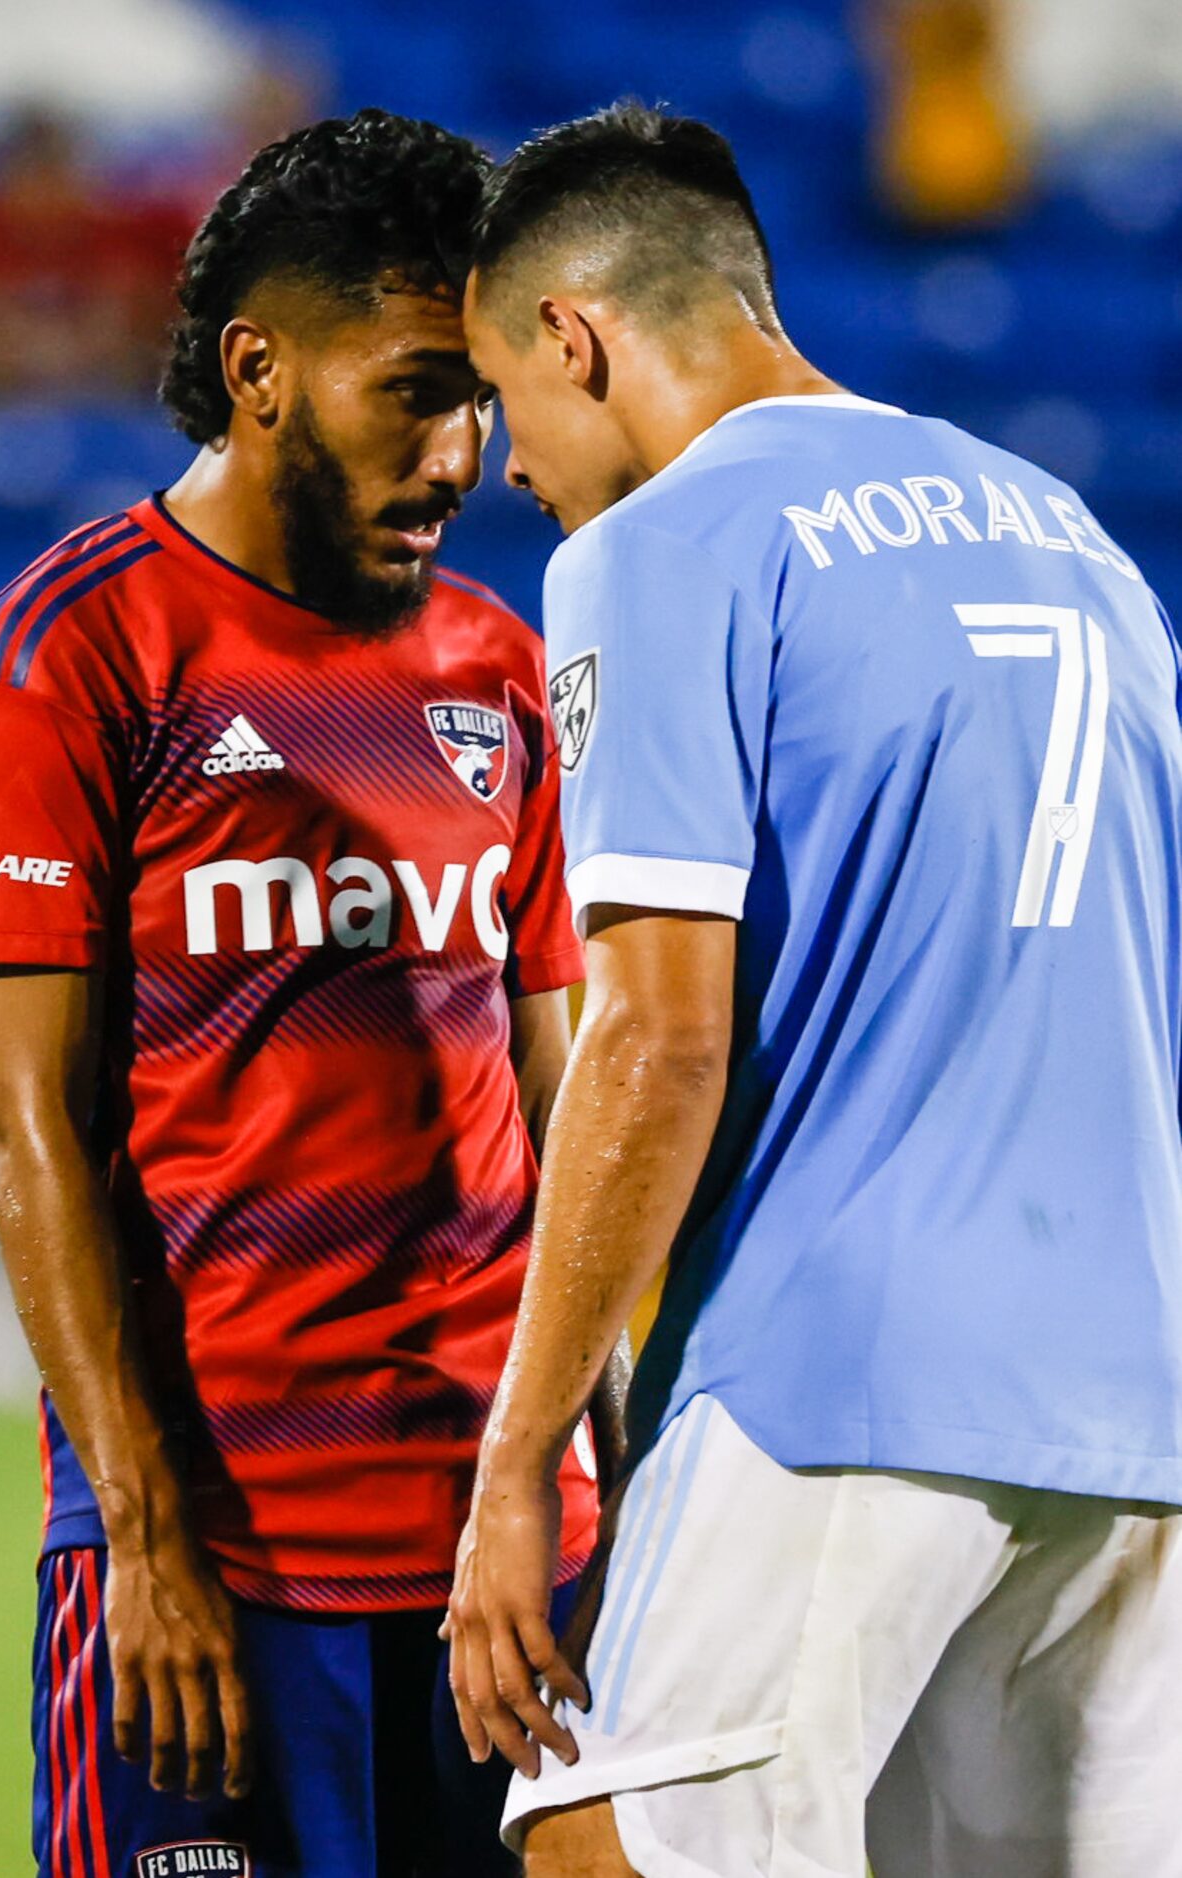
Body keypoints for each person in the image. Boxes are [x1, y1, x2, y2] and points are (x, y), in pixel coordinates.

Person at [444, 102, 1182, 1877]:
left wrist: (521, 1455)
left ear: (576, 335)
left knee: (603, 1835)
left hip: (836, 1374)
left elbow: (654, 1033)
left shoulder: (660, 546)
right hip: (1134, 1398)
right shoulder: (1079, 538)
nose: (506, 464)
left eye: (504, 400)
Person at [0, 111, 619, 1878]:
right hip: (220, 1566)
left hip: (510, 1556)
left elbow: (558, 1087)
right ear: (258, 370)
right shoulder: (62, 654)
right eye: (413, 389)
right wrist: (141, 1538)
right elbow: (30, 1129)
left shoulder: (502, 663)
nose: (466, 449)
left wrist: (606, 1464)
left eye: (480, 395)